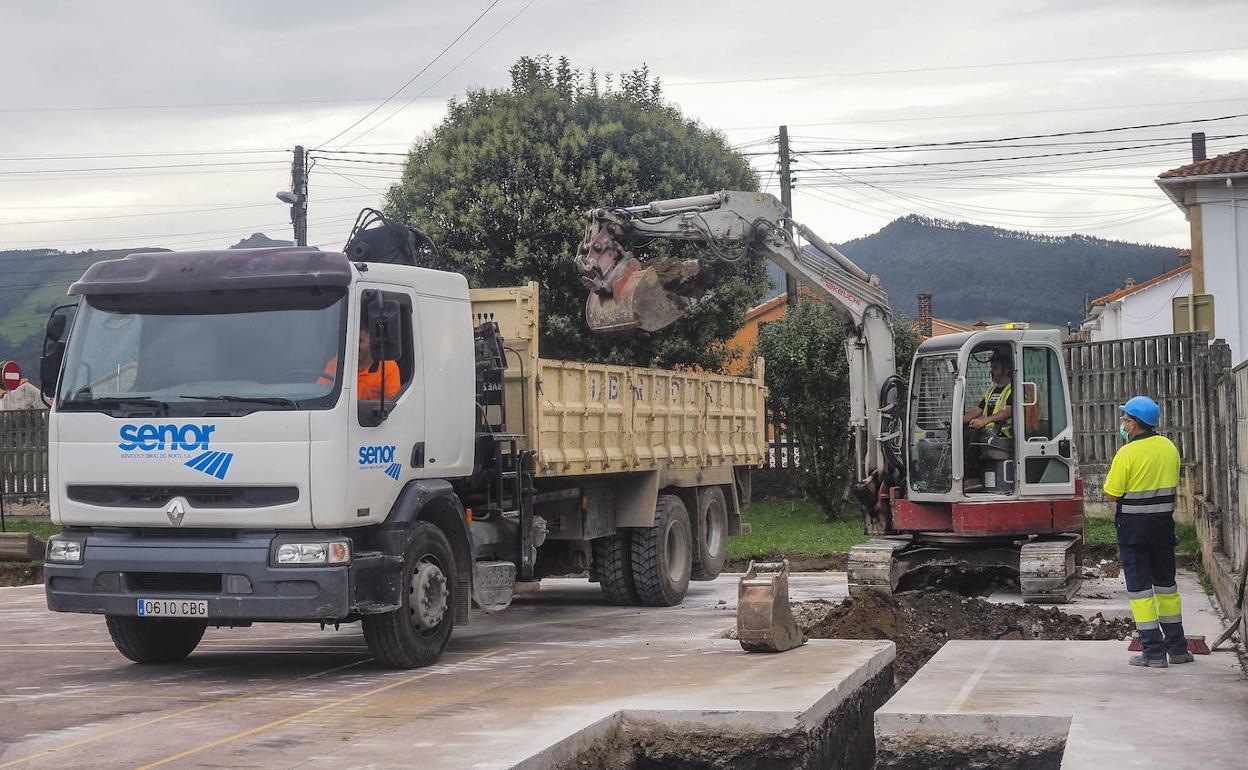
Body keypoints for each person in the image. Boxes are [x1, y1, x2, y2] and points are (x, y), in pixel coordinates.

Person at [1103, 395, 1190, 668]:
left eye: (1125, 419)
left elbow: (1111, 494)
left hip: (1134, 532)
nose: (1122, 423)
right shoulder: (1169, 447)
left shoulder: (1126, 453)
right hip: (1163, 528)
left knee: (1141, 592)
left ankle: (1153, 653)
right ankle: (1177, 649)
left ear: (1134, 423)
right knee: (1167, 588)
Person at [317, 325, 400, 400]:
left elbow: (391, 402)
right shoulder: (335, 364)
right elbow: (320, 394)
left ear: (371, 341)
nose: (355, 346)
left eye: (360, 340)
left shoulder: (388, 366)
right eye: (351, 341)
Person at [963, 351, 1014, 437]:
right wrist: (958, 422)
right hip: (988, 434)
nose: (991, 371)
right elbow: (978, 410)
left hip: (1003, 436)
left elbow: (1009, 411)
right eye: (991, 368)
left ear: (1006, 370)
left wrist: (985, 420)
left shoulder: (1013, 390)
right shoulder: (991, 390)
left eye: (995, 368)